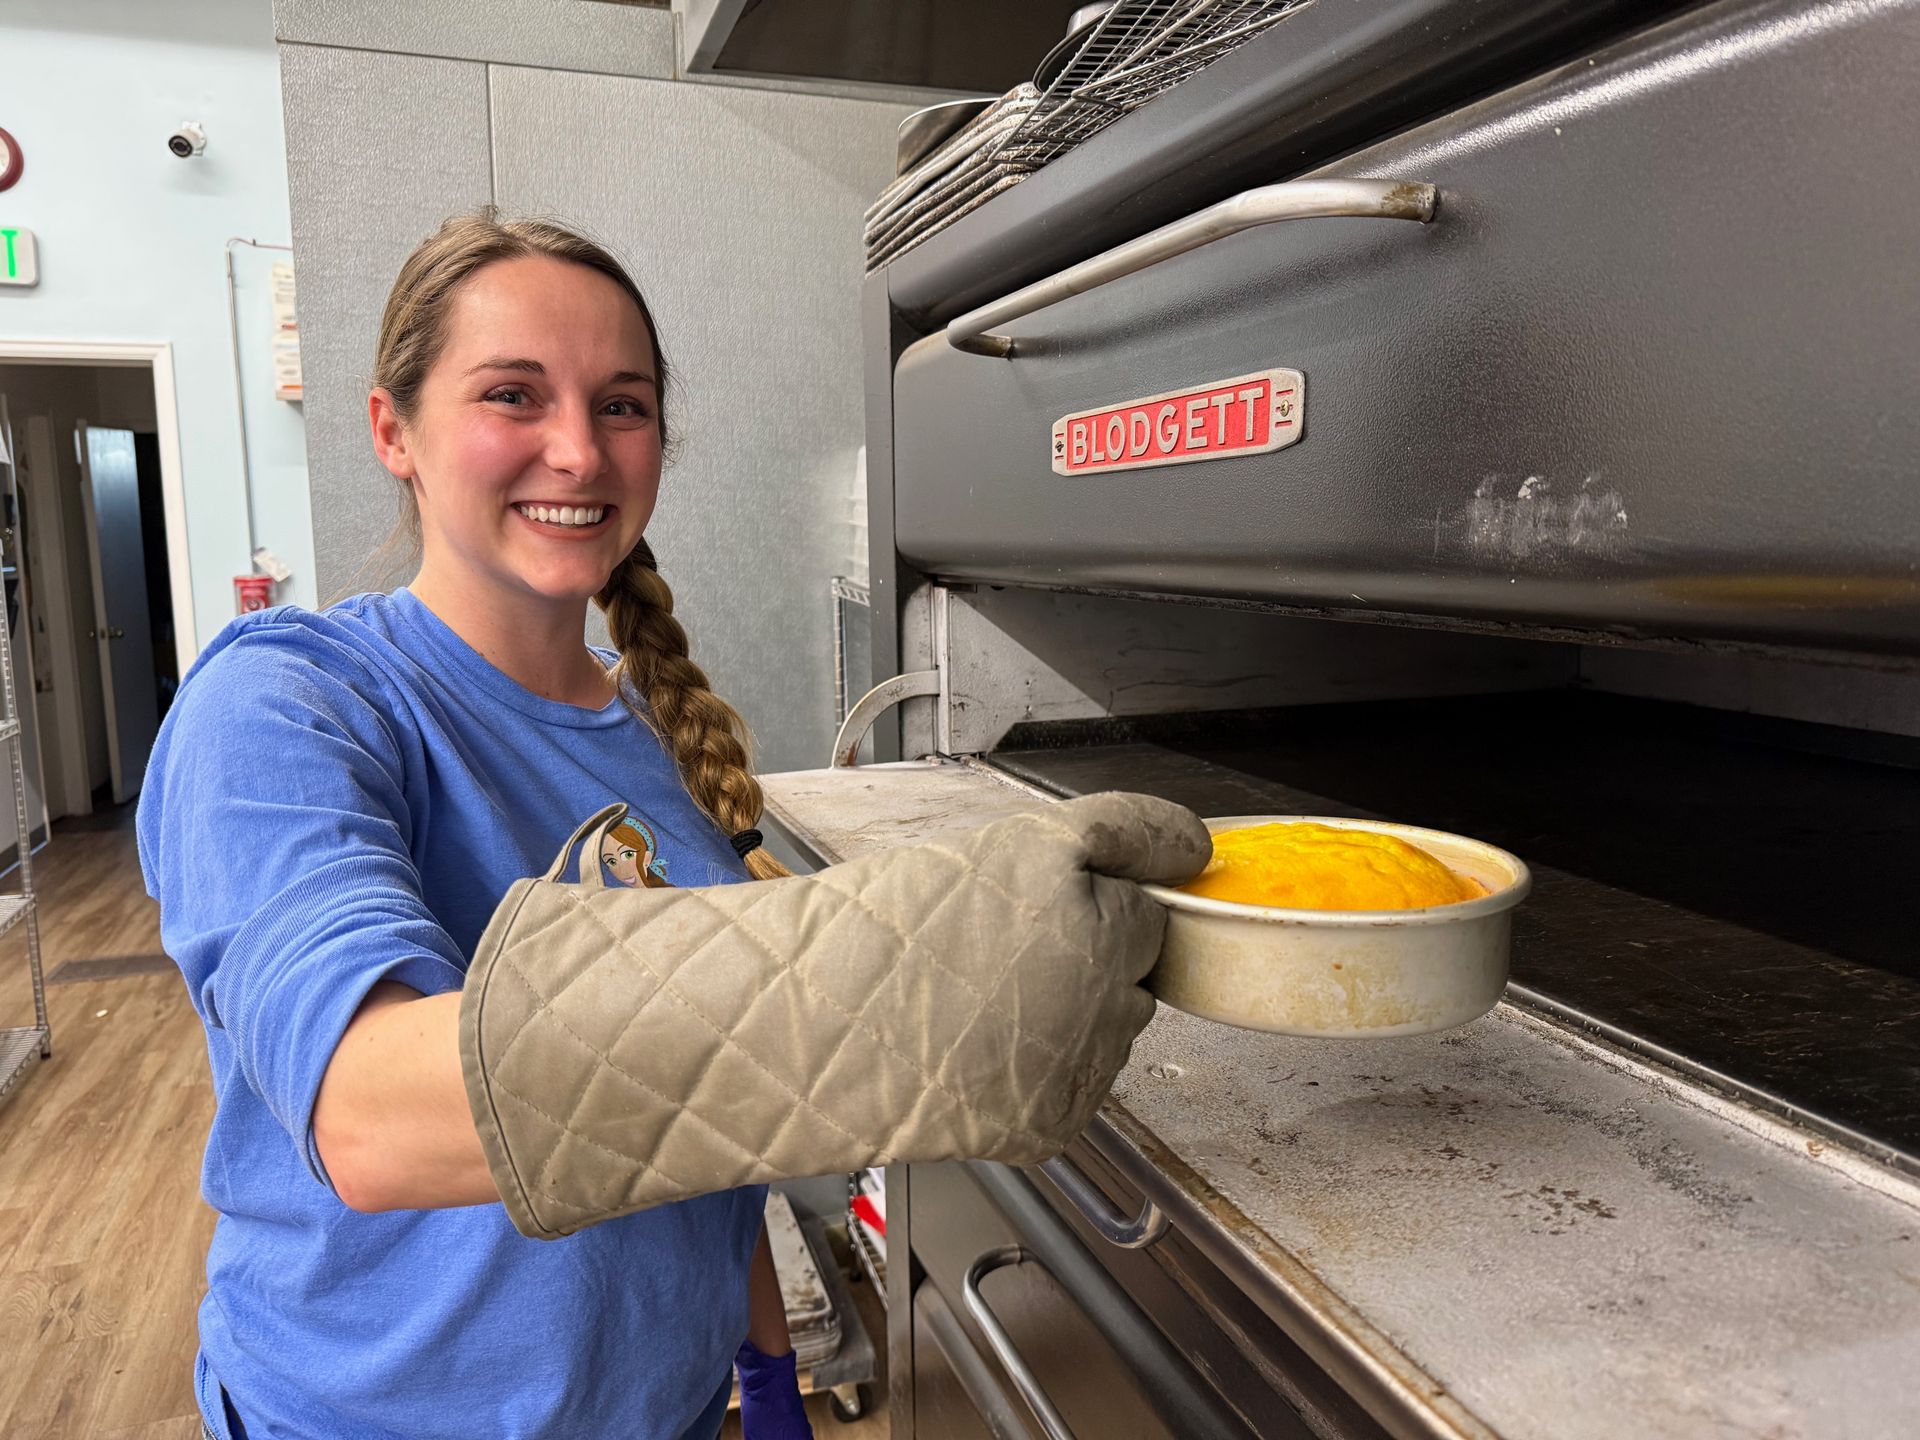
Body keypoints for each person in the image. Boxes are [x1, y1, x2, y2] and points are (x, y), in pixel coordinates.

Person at [137, 209, 1206, 1440]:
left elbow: (699, 1137)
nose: (579, 452)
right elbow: (370, 1116)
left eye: (623, 405)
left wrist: (761, 1368)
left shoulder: (653, 723)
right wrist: (902, 980)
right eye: (512, 395)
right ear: (395, 431)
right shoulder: (286, 705)